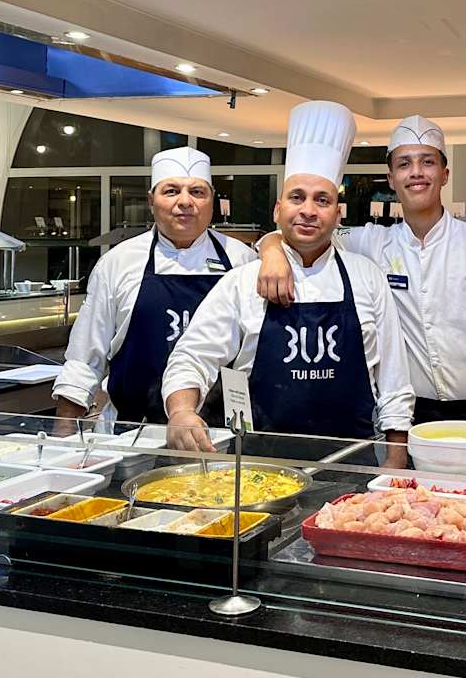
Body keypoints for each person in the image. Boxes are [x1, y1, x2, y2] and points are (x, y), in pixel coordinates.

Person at [254, 115, 466, 475]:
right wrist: (271, 248)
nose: (416, 172)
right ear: (391, 178)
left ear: (445, 174)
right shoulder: (370, 242)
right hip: (409, 420)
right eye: (404, 163)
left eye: (427, 161)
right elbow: (307, 230)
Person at [162, 101, 413, 458]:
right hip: (260, 463)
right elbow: (192, 355)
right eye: (297, 197)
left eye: (322, 200)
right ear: (278, 210)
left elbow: (393, 378)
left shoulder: (366, 276)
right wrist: (182, 410)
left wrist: (396, 457)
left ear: (337, 215)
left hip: (353, 462)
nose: (308, 210)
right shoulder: (242, 281)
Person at [52, 147, 255, 426]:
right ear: (151, 200)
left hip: (223, 432)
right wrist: (63, 433)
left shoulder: (242, 260)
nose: (185, 202)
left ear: (212, 201)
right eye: (171, 191)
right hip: (133, 431)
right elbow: (85, 358)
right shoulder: (118, 262)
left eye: (197, 192)